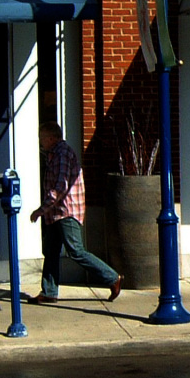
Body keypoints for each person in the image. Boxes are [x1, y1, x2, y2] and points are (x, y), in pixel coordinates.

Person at [29, 122, 122, 304]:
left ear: (51, 138)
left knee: (76, 250)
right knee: (51, 251)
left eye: (42, 138)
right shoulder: (53, 154)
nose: (41, 142)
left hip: (66, 211)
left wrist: (41, 209)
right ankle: (49, 291)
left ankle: (112, 278)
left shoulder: (62, 154)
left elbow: (61, 186)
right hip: (55, 212)